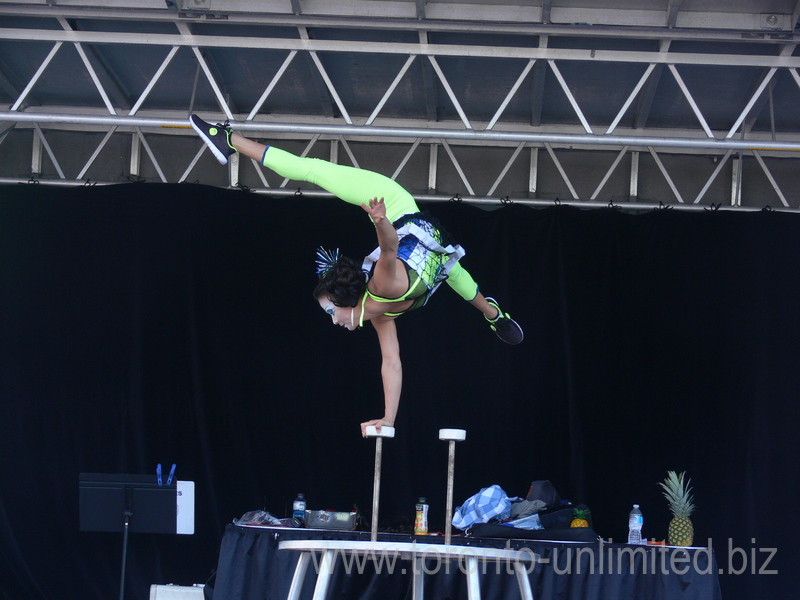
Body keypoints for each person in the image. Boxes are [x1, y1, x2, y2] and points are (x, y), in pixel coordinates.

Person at [189, 115, 523, 436]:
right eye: (332, 313)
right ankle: (226, 139)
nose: (335, 321)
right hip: (429, 258)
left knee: (314, 171)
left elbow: (389, 250)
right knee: (454, 274)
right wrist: (388, 418)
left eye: (332, 313)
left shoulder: (380, 285)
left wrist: (380, 219)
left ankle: (228, 138)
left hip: (393, 206)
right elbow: (391, 361)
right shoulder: (381, 309)